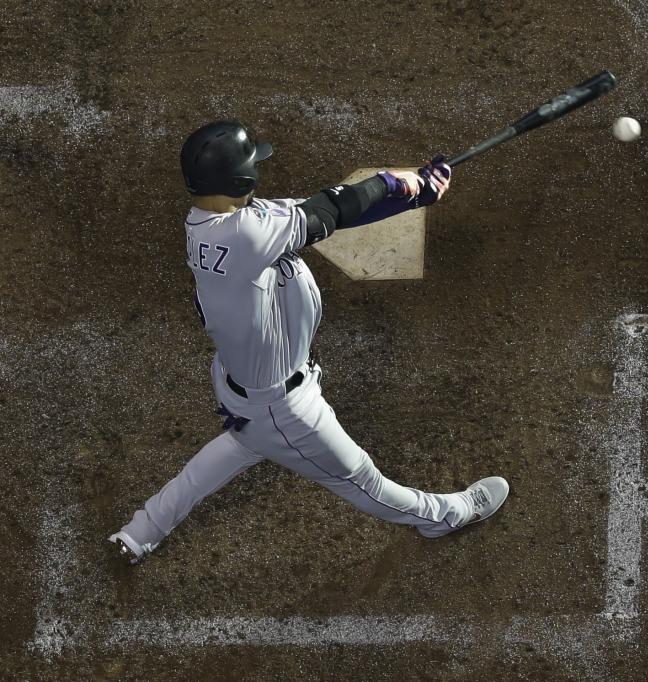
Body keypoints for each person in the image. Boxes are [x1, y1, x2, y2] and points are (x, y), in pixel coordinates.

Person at [108, 121, 509, 564]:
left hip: (243, 383)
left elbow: (332, 212)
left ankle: (142, 529)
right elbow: (330, 210)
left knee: (243, 444)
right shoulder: (248, 234)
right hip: (284, 408)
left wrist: (412, 192)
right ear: (242, 179)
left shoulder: (215, 224)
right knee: (362, 479)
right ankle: (445, 515)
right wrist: (393, 182)